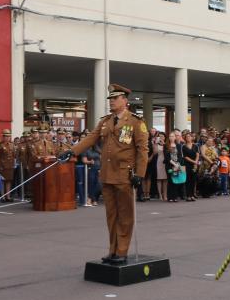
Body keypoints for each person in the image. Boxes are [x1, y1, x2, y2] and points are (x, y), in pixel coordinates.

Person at [61, 84, 147, 266]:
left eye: (115, 99)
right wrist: (72, 151)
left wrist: (140, 173)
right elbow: (91, 138)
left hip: (125, 174)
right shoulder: (106, 121)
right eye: (110, 99)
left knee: (125, 215)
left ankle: (122, 251)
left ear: (125, 101)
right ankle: (113, 251)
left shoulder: (136, 122)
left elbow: (142, 150)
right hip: (107, 174)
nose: (112, 102)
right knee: (111, 215)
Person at [0, 129, 16, 201]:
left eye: (9, 136)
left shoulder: (12, 145)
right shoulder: (0, 145)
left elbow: (14, 155)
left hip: (10, 165)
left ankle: (7, 197)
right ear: (3, 137)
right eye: (6, 136)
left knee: (9, 181)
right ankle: (2, 196)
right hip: (3, 166)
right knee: (2, 181)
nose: (7, 138)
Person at [181, 133, 199, 201]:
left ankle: (192, 195)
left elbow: (197, 154)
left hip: (194, 164)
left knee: (193, 180)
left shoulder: (195, 146)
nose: (188, 138)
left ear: (192, 138)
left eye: (189, 136)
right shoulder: (183, 146)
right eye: (187, 137)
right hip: (187, 164)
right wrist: (194, 162)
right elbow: (185, 157)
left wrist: (196, 163)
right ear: (185, 138)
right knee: (188, 180)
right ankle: (188, 195)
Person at [154, 133, 168, 201]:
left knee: (165, 179)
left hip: (166, 162)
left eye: (162, 136)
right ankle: (160, 195)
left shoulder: (166, 144)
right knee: (159, 179)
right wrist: (156, 143)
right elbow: (155, 152)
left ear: (165, 137)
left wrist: (164, 144)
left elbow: (168, 151)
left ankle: (165, 195)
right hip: (159, 162)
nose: (161, 137)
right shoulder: (156, 144)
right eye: (159, 136)